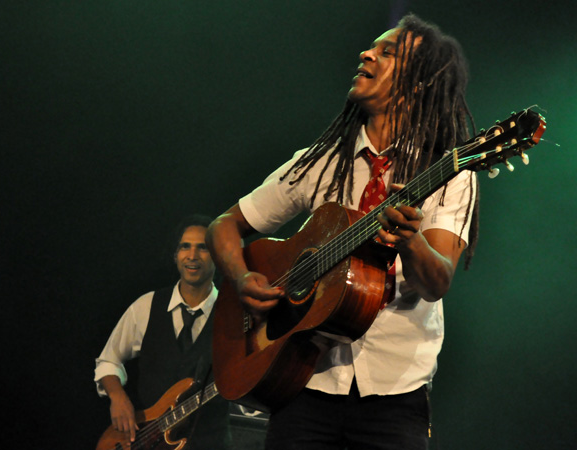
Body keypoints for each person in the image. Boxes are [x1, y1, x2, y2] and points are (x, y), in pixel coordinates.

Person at [206, 14, 479, 450]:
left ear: (420, 82)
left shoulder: (449, 172)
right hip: (302, 383)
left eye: (388, 51)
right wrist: (242, 280)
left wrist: (411, 241)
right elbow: (224, 227)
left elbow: (437, 282)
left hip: (395, 392)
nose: (366, 53)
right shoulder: (321, 161)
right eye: (373, 47)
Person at [94, 214, 231, 450]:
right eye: (184, 247)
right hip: (146, 441)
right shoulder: (147, 306)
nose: (192, 256)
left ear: (218, 256)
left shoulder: (233, 313)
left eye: (203, 248)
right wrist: (117, 397)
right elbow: (109, 360)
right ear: (175, 255)